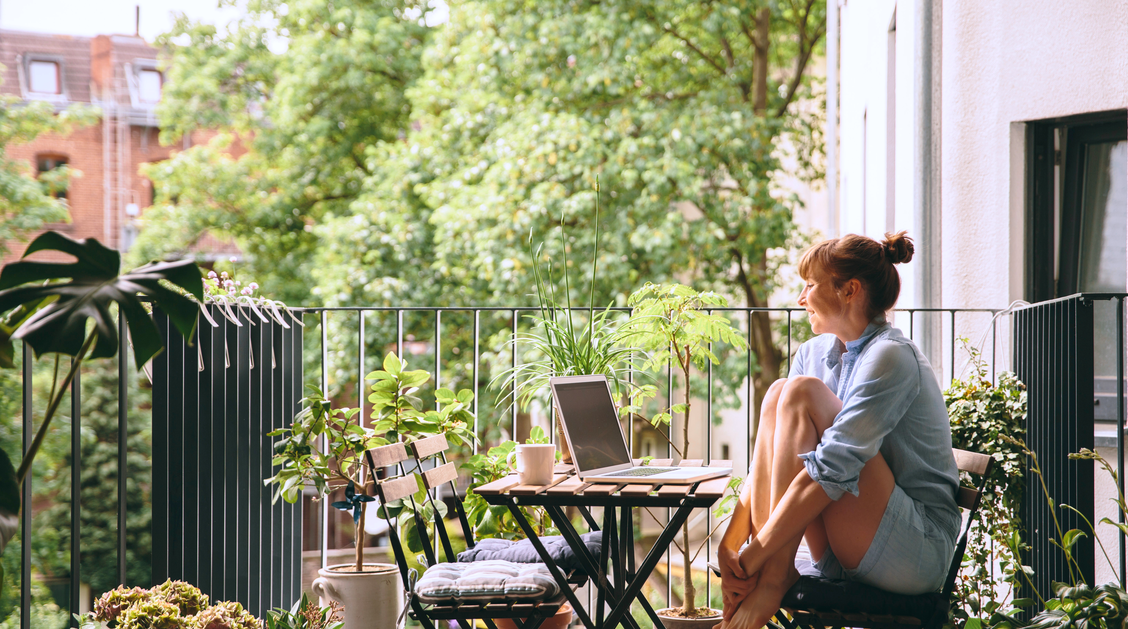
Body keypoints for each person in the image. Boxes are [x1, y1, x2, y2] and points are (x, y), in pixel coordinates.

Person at [716, 231, 959, 628]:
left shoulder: (891, 357)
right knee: (781, 391)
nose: (800, 298)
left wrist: (754, 558)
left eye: (810, 285)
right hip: (848, 540)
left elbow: (831, 471)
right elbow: (770, 463)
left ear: (849, 290)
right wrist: (731, 544)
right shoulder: (813, 353)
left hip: (914, 551)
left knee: (801, 394)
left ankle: (771, 582)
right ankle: (765, 581)